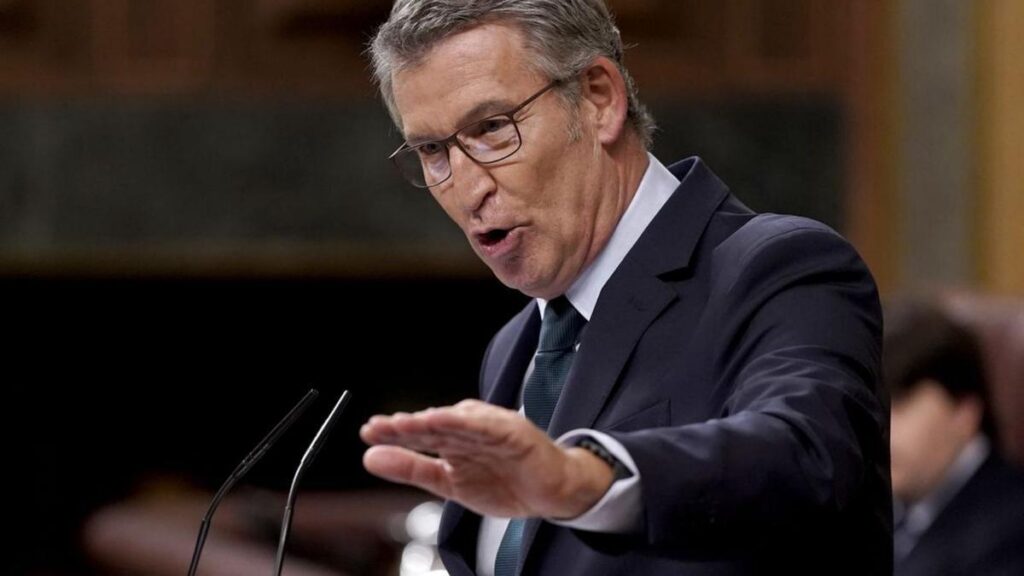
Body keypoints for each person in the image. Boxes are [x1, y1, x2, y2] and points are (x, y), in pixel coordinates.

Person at [359, 1, 891, 575]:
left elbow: (803, 457)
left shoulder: (780, 268)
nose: (466, 190)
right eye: (433, 151)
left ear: (599, 99)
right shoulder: (515, 347)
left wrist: (583, 477)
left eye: (491, 129)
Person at [885, 299, 1024, 576]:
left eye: (900, 403)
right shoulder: (874, 509)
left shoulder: (1011, 531)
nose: (880, 424)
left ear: (964, 413)